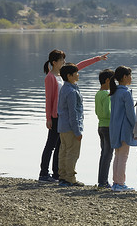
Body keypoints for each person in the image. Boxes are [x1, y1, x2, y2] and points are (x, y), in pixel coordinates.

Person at [39, 49, 108, 183]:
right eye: (61, 60)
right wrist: (48, 118)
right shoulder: (50, 77)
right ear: (54, 62)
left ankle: (57, 174)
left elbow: (80, 65)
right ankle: (43, 174)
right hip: (55, 116)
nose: (64, 62)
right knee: (51, 145)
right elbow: (49, 99)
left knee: (61, 146)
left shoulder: (64, 74)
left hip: (63, 115)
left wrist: (97, 59)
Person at [57, 63, 85, 187]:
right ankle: (70, 178)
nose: (78, 75)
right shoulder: (71, 91)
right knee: (72, 153)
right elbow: (73, 113)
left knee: (64, 151)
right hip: (70, 127)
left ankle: (62, 176)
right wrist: (77, 131)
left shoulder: (65, 88)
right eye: (76, 73)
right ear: (69, 76)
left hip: (62, 126)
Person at [109, 66, 136, 192]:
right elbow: (131, 114)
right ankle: (120, 183)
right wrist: (136, 128)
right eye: (130, 75)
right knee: (123, 156)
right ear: (125, 77)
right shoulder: (126, 92)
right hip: (124, 129)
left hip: (114, 128)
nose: (131, 78)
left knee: (118, 155)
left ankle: (116, 182)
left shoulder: (114, 92)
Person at [95, 69, 115, 189]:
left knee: (104, 154)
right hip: (108, 127)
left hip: (100, 126)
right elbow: (108, 113)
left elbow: (98, 111)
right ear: (107, 81)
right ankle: (103, 182)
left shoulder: (98, 93)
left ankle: (101, 180)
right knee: (108, 155)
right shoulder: (107, 94)